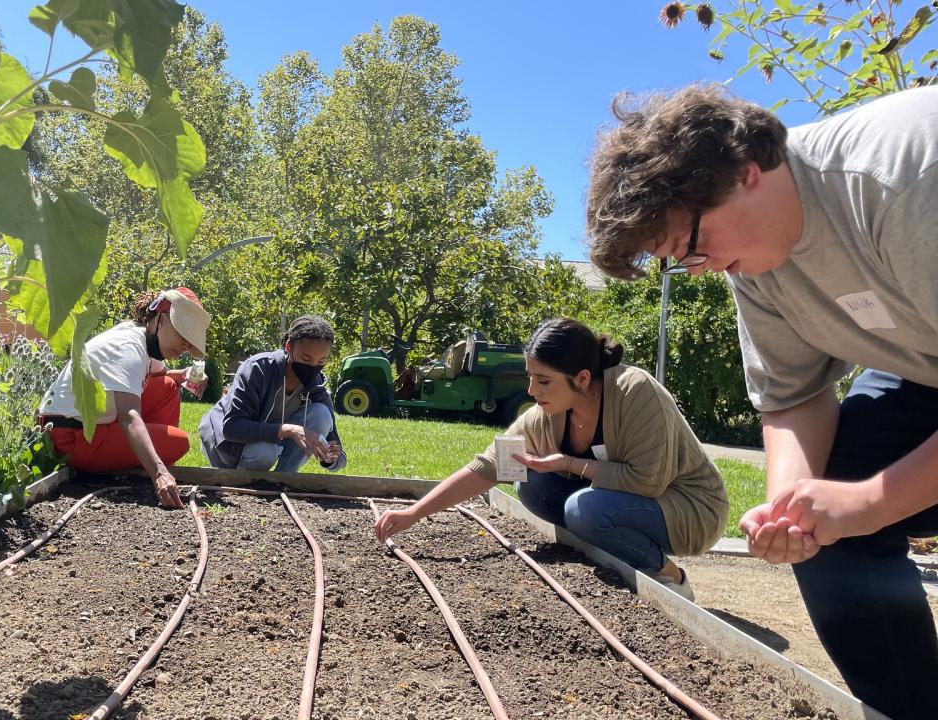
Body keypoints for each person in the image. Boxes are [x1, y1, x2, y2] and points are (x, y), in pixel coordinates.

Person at [582, 83, 938, 719]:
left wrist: (870, 502)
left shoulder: (904, 176)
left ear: (746, 171)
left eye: (692, 247)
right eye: (681, 264)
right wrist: (790, 509)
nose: (705, 269)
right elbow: (794, 394)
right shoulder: (755, 260)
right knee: (826, 512)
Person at [375, 318, 728, 599]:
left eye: (543, 380)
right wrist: (414, 513)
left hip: (687, 509)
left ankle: (669, 576)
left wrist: (569, 464)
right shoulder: (546, 412)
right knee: (531, 482)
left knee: (582, 509)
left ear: (583, 378)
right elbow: (490, 466)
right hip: (620, 503)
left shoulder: (634, 391)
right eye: (530, 378)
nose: (531, 391)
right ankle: (599, 546)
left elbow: (648, 481)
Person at [37, 287, 211, 509]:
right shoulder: (129, 347)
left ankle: (147, 463)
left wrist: (184, 375)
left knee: (168, 386)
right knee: (178, 442)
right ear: (161, 319)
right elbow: (128, 415)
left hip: (88, 427)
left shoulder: (143, 339)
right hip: (70, 437)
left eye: (191, 341)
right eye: (183, 334)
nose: (187, 346)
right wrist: (159, 472)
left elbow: (161, 377)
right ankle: (159, 472)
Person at [199, 315, 347, 473]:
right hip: (224, 442)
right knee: (265, 452)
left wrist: (330, 457)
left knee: (322, 415)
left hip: (269, 442)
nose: (313, 367)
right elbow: (231, 428)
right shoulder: (258, 369)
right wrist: (287, 430)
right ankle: (241, 480)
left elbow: (340, 456)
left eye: (321, 361)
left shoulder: (317, 388)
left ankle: (284, 478)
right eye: (306, 358)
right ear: (289, 347)